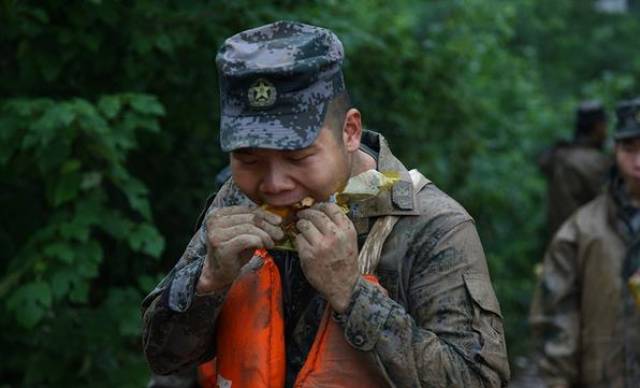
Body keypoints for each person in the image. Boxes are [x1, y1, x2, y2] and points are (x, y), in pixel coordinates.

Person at [142, 21, 509, 387]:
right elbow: (164, 358)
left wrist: (351, 294)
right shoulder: (236, 201)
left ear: (349, 131)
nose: (274, 184)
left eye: (298, 158)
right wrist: (207, 280)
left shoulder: (433, 226)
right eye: (249, 160)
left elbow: (478, 381)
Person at [530, 98, 640, 387]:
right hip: (587, 249)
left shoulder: (558, 157)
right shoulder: (583, 224)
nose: (638, 161)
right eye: (630, 149)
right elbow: (558, 325)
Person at [538, 101, 611, 237]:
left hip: (558, 241)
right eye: (604, 125)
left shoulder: (558, 156)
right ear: (597, 127)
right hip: (586, 241)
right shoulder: (596, 163)